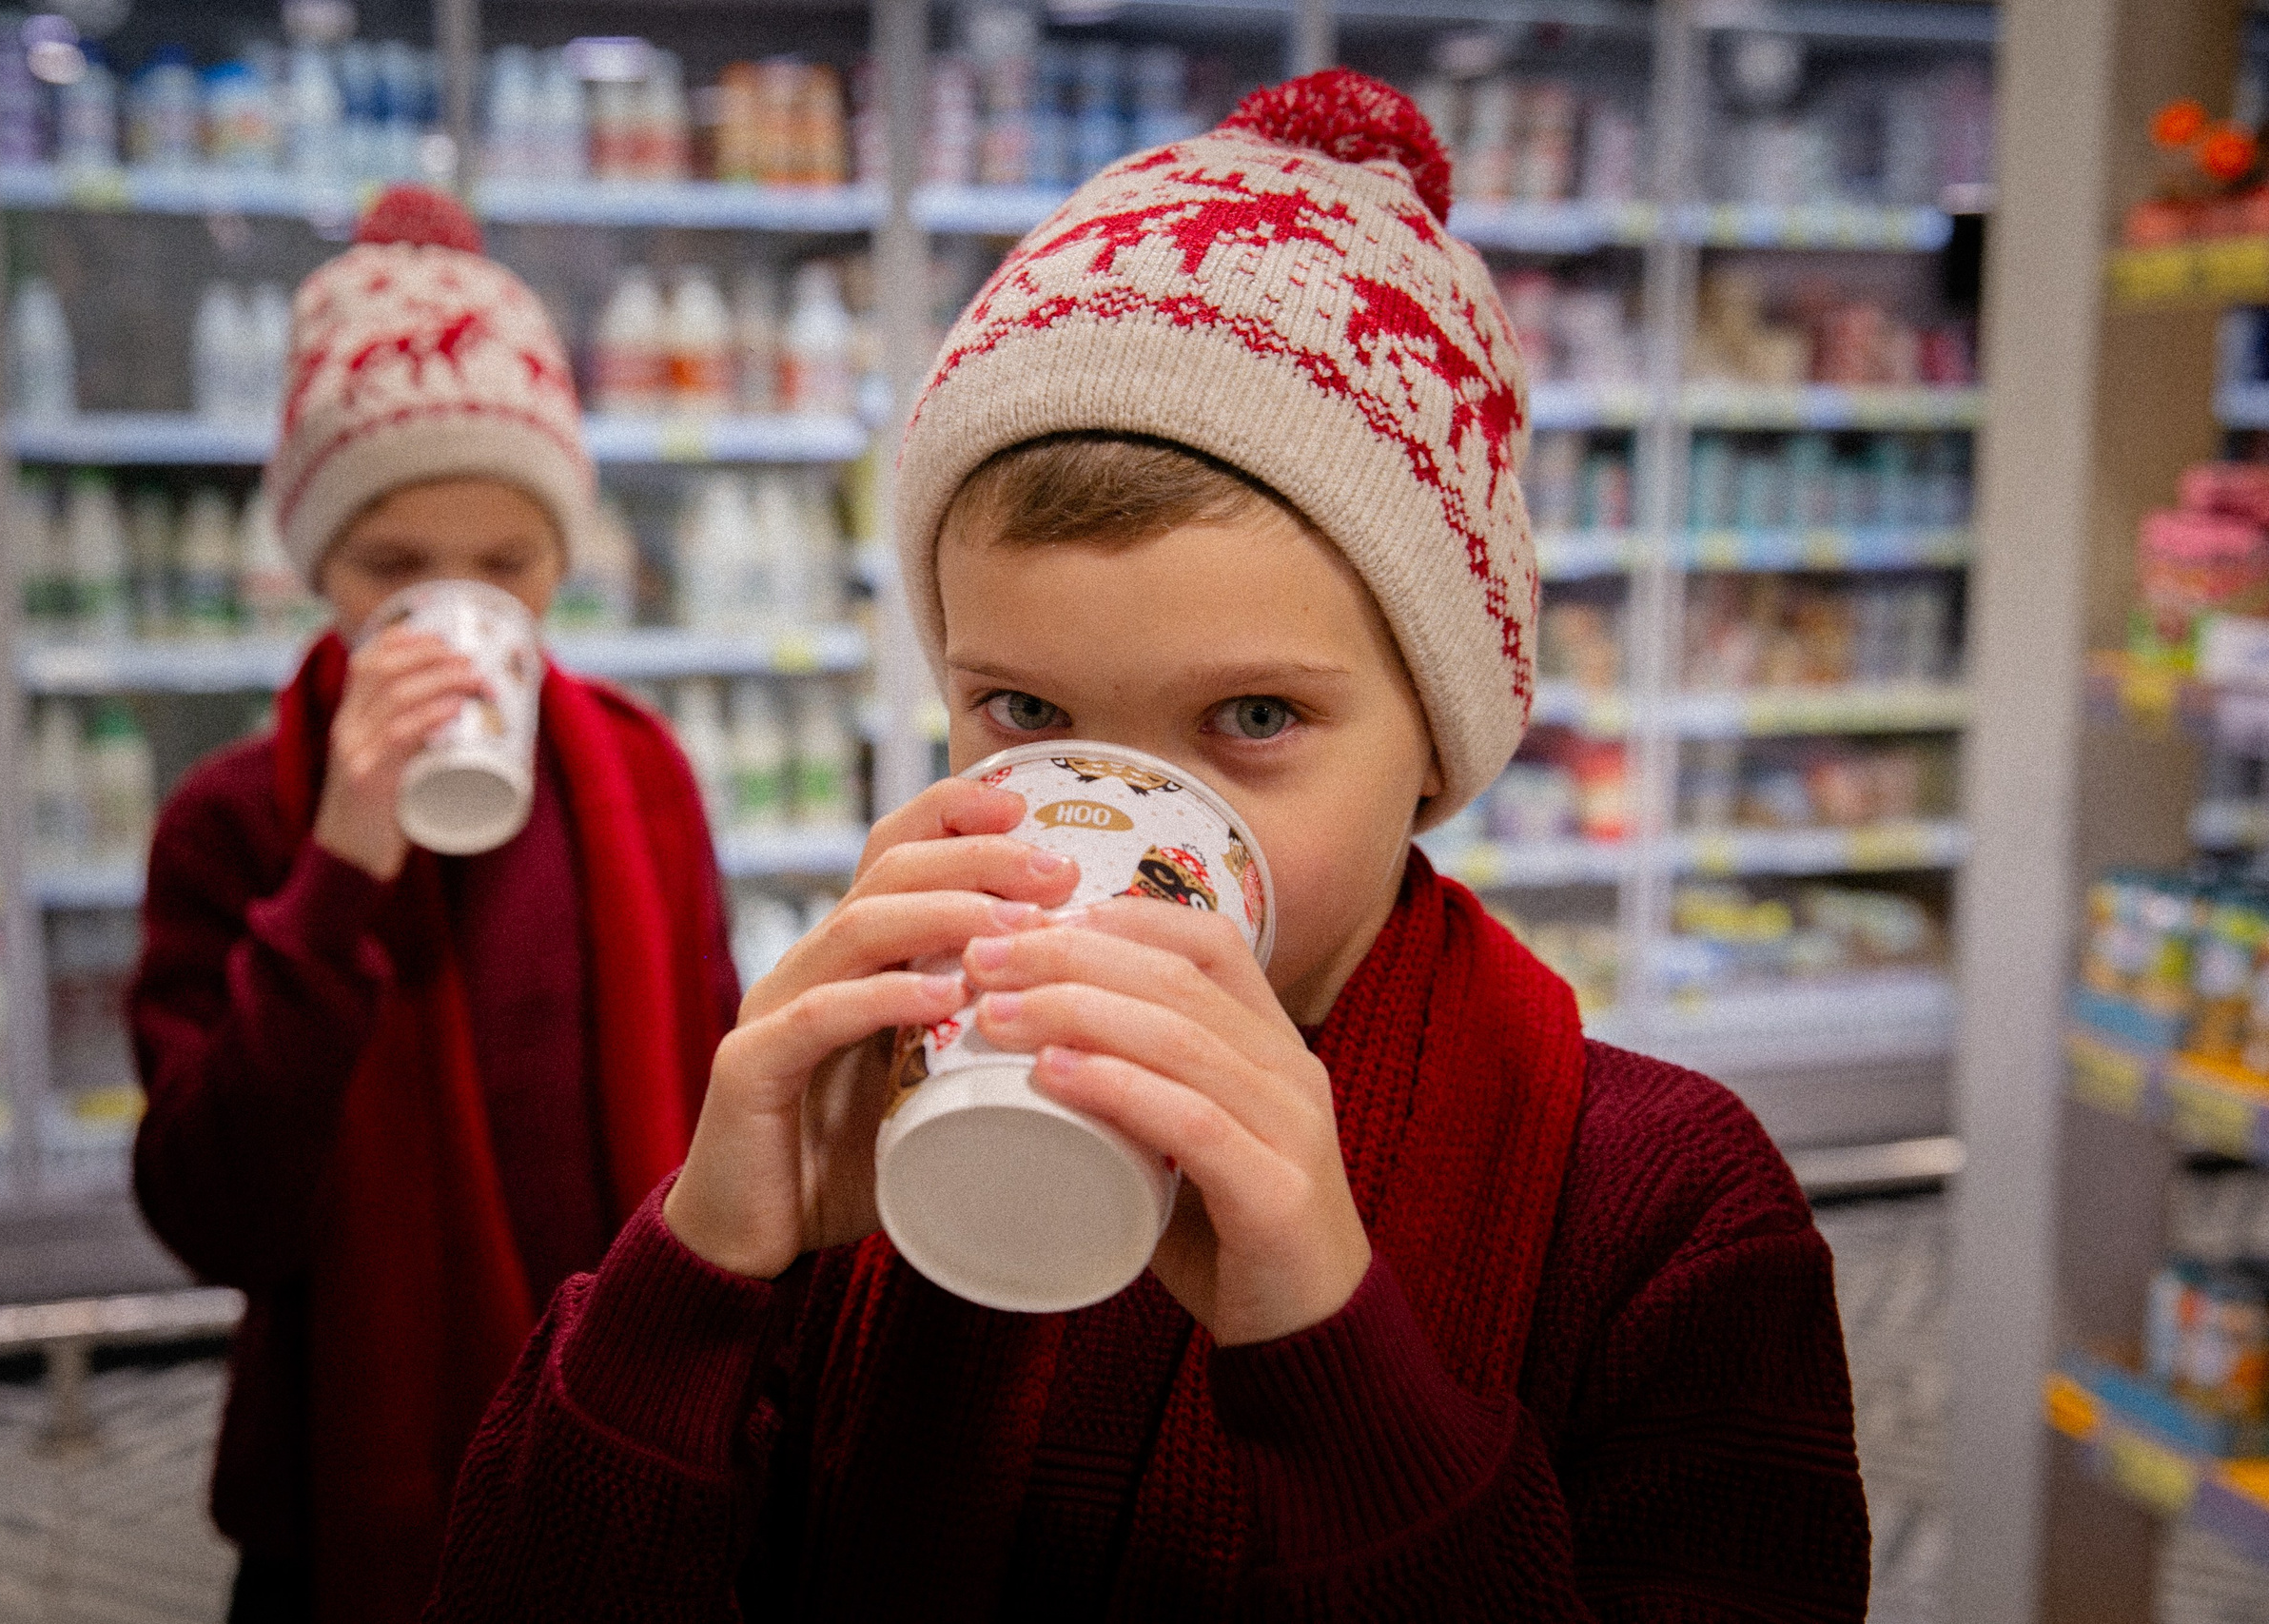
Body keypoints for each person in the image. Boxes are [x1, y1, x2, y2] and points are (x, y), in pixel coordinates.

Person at [427, 72, 1868, 1620]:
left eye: (1253, 714)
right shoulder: (875, 1143)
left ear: (1439, 744)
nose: (1121, 811)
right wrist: (700, 1273)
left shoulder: (1664, 1217)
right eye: (1025, 710)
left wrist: (1338, 1357)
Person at [127, 186, 736, 1624]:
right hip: (347, 1492)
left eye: (507, 565)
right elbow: (216, 1214)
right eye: (395, 568)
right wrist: (338, 867)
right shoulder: (234, 821)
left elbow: (715, 1114)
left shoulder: (641, 777)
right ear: (316, 566)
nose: (458, 608)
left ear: (561, 559)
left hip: (619, 1440)